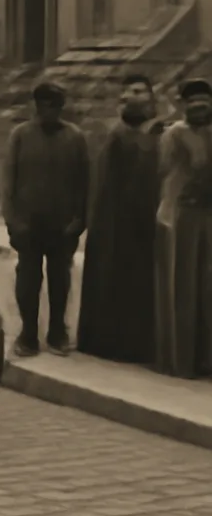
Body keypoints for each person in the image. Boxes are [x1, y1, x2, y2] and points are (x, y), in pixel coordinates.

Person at [77, 75, 164, 364]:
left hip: (149, 224)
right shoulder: (116, 135)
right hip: (117, 227)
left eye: (138, 91)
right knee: (113, 285)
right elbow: (104, 188)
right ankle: (110, 344)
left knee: (143, 287)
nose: (130, 96)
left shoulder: (159, 134)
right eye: (126, 92)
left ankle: (140, 345)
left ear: (151, 99)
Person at [1, 82, 90, 358]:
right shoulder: (20, 135)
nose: (48, 109)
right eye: (43, 103)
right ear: (36, 105)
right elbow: (8, 182)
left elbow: (85, 183)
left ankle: (57, 332)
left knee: (60, 278)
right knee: (27, 277)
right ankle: (28, 334)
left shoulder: (75, 138)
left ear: (62, 106)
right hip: (28, 224)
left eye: (54, 104)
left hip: (62, 226)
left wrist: (79, 220)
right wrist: (13, 221)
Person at [154, 78, 212, 379]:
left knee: (207, 285)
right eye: (194, 102)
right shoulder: (174, 134)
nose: (200, 108)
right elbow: (165, 170)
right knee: (182, 285)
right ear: (184, 105)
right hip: (179, 215)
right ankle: (181, 360)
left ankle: (206, 359)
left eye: (205, 102)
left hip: (207, 214)